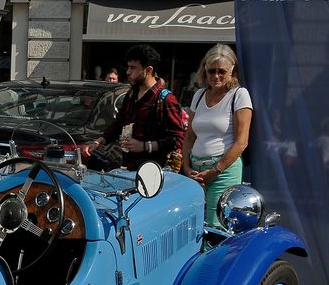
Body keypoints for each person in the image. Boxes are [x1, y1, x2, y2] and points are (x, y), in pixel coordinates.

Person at [180, 44, 253, 227]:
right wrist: (186, 166)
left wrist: (215, 171)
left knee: (215, 227)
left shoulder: (239, 95)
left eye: (222, 71)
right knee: (191, 225)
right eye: (212, 71)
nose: (216, 76)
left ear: (232, 70)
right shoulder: (198, 95)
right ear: (204, 70)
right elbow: (189, 136)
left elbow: (241, 142)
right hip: (195, 170)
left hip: (223, 172)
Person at [85, 44, 186, 171]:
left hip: (154, 172)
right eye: (128, 67)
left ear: (148, 70)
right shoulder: (131, 94)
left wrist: (145, 146)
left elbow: (177, 139)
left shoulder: (166, 99)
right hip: (128, 166)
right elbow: (119, 122)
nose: (128, 72)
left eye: (133, 68)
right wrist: (99, 142)